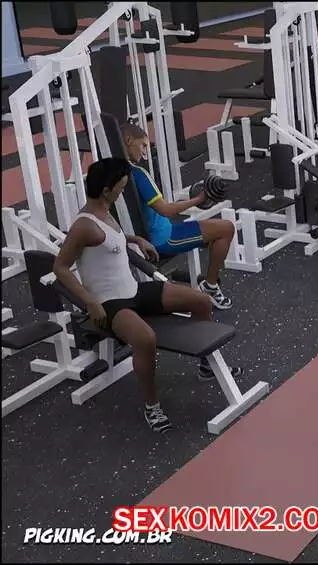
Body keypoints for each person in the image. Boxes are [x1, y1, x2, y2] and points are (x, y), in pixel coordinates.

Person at [54, 158, 243, 433]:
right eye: (120, 188)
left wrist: (134, 240)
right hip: (110, 303)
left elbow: (109, 242)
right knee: (146, 339)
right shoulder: (84, 225)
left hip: (134, 290)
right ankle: (152, 406)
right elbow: (60, 267)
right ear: (106, 190)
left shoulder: (106, 211)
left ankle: (205, 366)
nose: (123, 192)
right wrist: (89, 301)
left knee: (201, 300)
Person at [121, 123, 236, 310]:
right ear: (128, 140)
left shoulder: (111, 172)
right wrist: (198, 199)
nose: (144, 152)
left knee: (212, 232)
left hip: (152, 234)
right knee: (226, 229)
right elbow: (166, 210)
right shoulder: (138, 174)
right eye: (143, 145)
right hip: (164, 239)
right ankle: (210, 287)